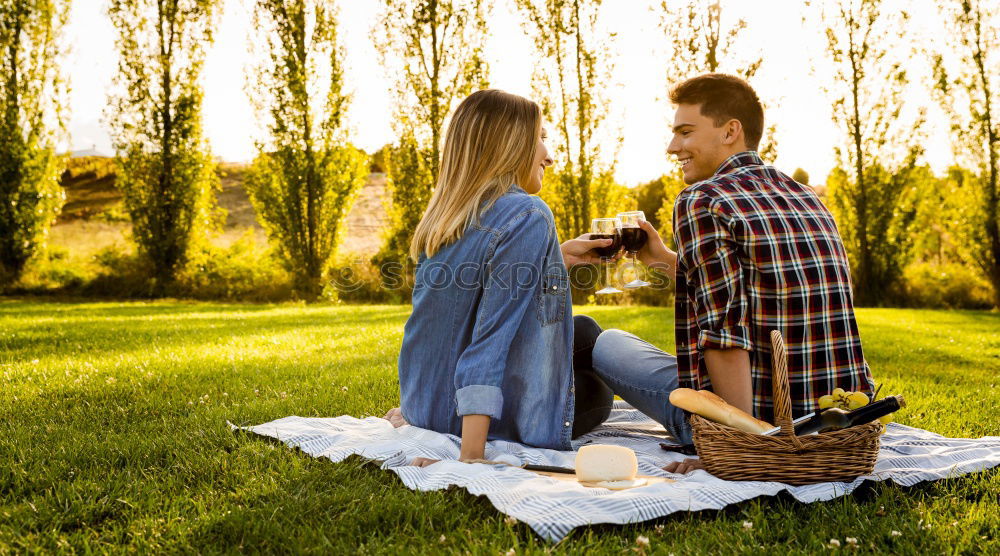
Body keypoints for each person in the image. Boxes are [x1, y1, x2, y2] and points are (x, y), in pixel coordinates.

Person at [591, 73, 875, 473]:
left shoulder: (702, 199)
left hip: (764, 425)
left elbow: (725, 334)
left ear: (730, 132)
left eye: (685, 132)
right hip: (838, 417)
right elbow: (752, 288)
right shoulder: (804, 194)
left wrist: (739, 448)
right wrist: (659, 259)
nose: (673, 147)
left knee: (606, 344)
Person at [383, 89, 619, 465]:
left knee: (586, 330)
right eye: (541, 138)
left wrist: (557, 259)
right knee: (601, 364)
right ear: (511, 145)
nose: (550, 155)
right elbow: (489, 342)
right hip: (474, 424)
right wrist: (472, 458)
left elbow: (467, 300)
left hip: (426, 405)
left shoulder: (447, 217)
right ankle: (700, 418)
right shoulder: (528, 213)